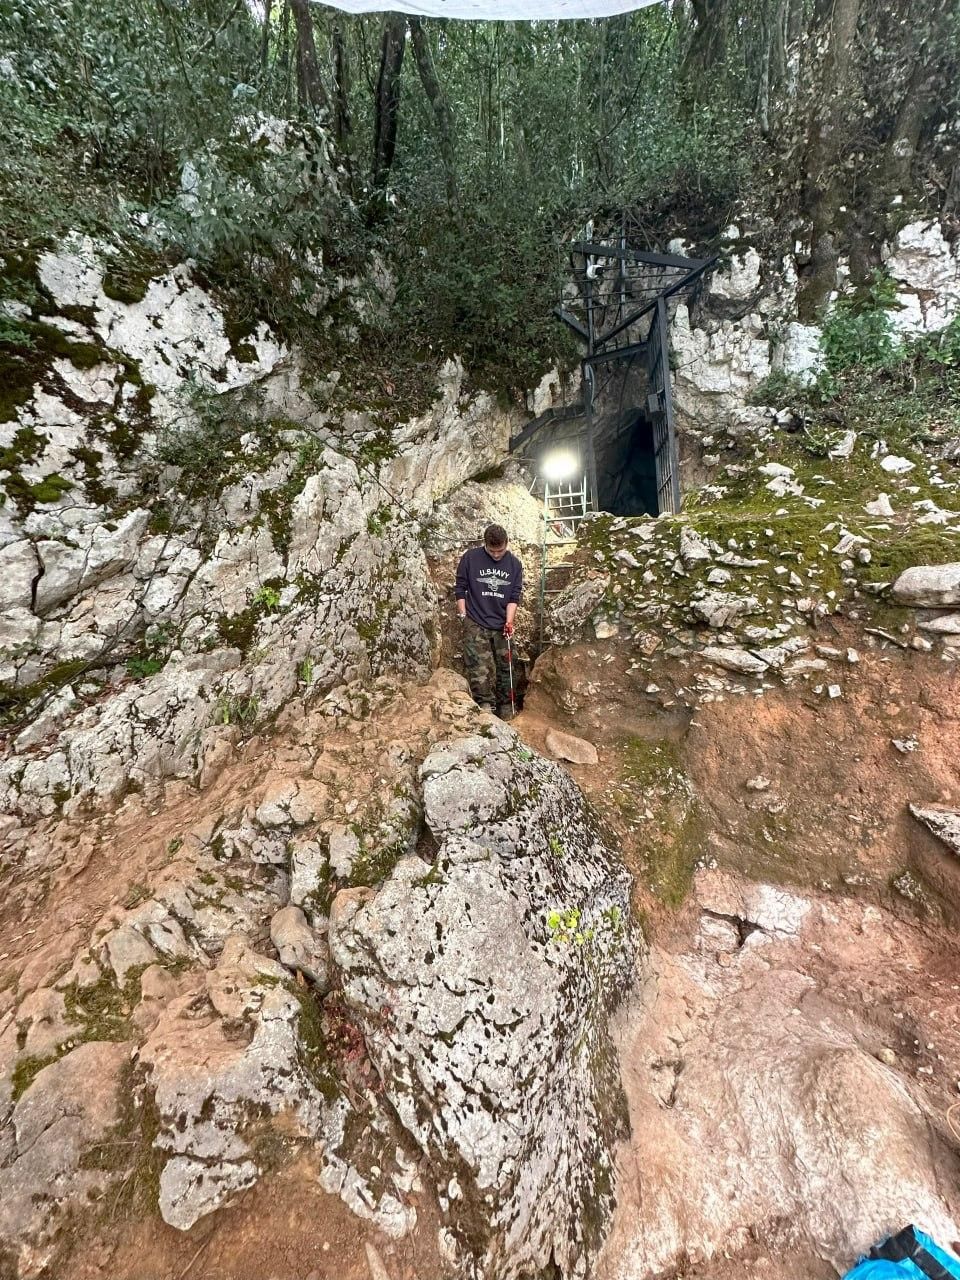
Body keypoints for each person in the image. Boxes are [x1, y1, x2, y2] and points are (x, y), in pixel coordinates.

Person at [455, 523, 523, 718]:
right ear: (485, 544)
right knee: (479, 666)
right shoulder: (470, 558)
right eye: (492, 551)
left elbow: (514, 596)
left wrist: (509, 622)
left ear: (506, 544)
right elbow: (460, 588)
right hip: (475, 620)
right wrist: (463, 617)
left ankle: (506, 705)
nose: (496, 555)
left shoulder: (514, 565)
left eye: (500, 551)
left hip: (502, 621)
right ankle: (485, 705)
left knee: (507, 664)